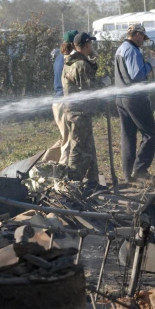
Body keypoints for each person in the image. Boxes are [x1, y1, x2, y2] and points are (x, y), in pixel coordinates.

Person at [113, 24, 155, 183]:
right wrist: (150, 64)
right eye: (142, 38)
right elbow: (137, 75)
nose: (143, 42)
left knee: (128, 136)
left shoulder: (120, 49)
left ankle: (127, 175)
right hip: (134, 98)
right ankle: (140, 170)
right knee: (150, 134)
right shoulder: (132, 50)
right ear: (137, 34)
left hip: (121, 98)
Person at [62, 32, 100, 193]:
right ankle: (72, 183)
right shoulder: (80, 65)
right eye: (90, 44)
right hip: (79, 113)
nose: (92, 47)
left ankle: (93, 181)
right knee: (78, 148)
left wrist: (92, 62)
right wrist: (103, 84)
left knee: (89, 147)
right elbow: (88, 89)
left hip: (73, 111)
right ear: (85, 46)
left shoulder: (70, 62)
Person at [50, 30, 77, 166]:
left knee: (64, 137)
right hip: (63, 103)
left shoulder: (60, 57)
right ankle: (61, 172)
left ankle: (46, 161)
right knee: (68, 140)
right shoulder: (67, 59)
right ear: (74, 43)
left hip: (58, 103)